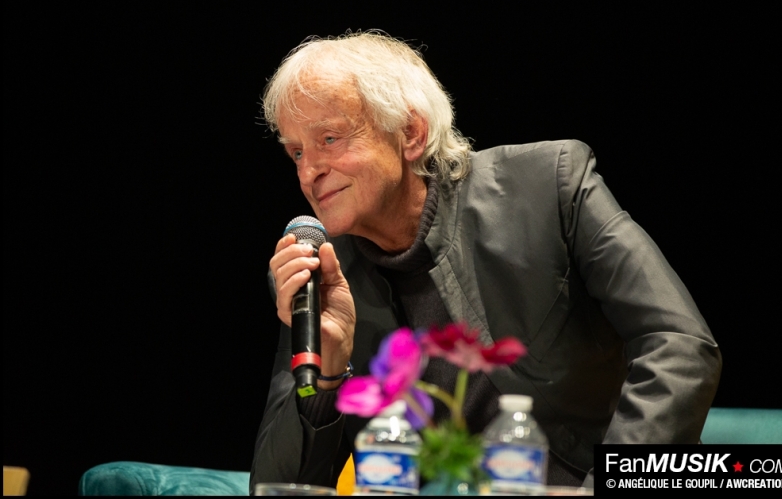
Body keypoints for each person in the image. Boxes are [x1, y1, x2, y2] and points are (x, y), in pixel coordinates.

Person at [249, 31, 722, 492]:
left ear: (411, 133)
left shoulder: (548, 188)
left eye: (329, 138)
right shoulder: (321, 274)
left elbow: (679, 344)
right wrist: (327, 378)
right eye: (295, 152)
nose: (308, 172)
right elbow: (277, 486)